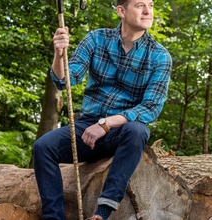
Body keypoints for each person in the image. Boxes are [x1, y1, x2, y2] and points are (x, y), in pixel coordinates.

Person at [33, 0, 172, 218]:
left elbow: (151, 107)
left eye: (151, 5)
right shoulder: (96, 39)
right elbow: (65, 82)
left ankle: (102, 212)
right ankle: (54, 217)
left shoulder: (160, 56)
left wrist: (106, 124)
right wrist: (59, 54)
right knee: (43, 147)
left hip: (123, 131)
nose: (148, 11)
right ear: (121, 11)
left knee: (138, 130)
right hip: (87, 127)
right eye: (140, 5)